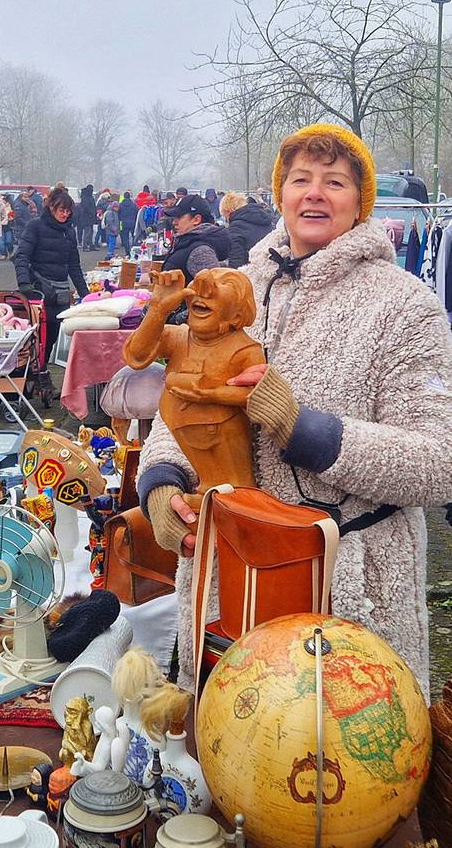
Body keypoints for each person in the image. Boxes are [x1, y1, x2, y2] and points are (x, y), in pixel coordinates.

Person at [136, 122, 452, 697]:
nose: (314, 193)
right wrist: (160, 485)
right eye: (300, 178)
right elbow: (175, 403)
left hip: (348, 582)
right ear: (279, 193)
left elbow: (438, 463)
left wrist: (301, 427)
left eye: (335, 181)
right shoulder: (232, 286)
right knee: (229, 750)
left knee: (333, 768)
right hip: (228, 575)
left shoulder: (406, 305)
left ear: (361, 202)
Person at [13, 187, 89, 366]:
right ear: (52, 208)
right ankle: (33, 375)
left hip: (60, 293)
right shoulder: (35, 226)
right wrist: (24, 282)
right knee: (35, 338)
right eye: (62, 210)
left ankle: (41, 373)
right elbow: (22, 255)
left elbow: (74, 266)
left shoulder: (69, 232)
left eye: (68, 211)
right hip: (38, 291)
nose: (65, 214)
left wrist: (85, 294)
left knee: (51, 337)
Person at [160, 194, 231, 285]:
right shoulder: (187, 242)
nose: (174, 222)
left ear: (196, 219)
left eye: (179, 217)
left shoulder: (200, 251)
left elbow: (214, 291)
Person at [219, 192, 274, 268]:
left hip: (252, 272)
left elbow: (237, 260)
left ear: (229, 212)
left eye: (224, 215)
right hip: (272, 267)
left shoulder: (235, 228)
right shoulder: (266, 219)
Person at [77, 185, 97, 251]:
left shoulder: (87, 196)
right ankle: (85, 246)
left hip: (90, 216)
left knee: (91, 231)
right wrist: (91, 213)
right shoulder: (86, 197)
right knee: (87, 232)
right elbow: (86, 207)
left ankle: (90, 245)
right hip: (87, 216)